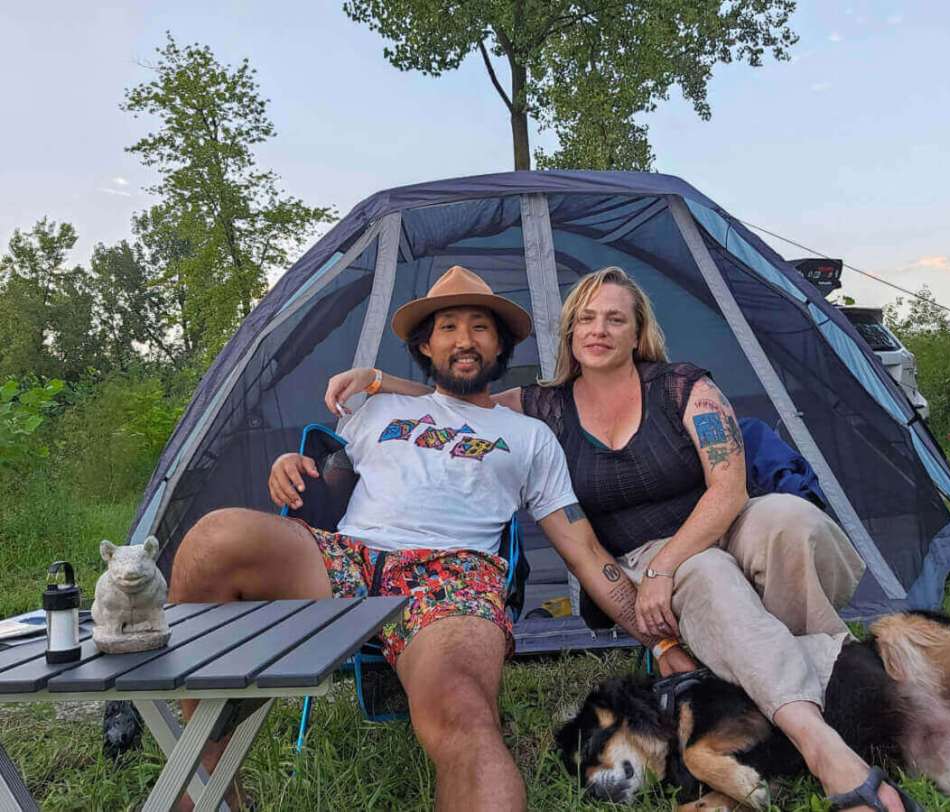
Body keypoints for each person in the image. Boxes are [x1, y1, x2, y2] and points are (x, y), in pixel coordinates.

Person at [326, 266, 911, 812]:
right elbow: (456, 400)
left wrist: (665, 570)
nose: (598, 329)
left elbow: (729, 489)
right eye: (585, 318)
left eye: (614, 318)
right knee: (707, 573)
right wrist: (377, 381)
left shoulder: (684, 386)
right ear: (570, 333)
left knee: (791, 518)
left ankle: (797, 686)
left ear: (639, 333)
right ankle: (823, 726)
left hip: (718, 526)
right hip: (649, 552)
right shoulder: (543, 406)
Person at [169, 265, 692, 812]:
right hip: (349, 558)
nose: (464, 340)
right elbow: (332, 479)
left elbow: (583, 551)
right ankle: (210, 780)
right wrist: (292, 463)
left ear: (502, 344)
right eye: (448, 327)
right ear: (425, 343)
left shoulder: (530, 436)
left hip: (452, 577)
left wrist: (659, 640)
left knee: (465, 717)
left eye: (480, 327)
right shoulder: (378, 408)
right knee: (213, 538)